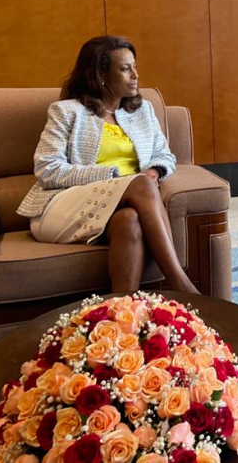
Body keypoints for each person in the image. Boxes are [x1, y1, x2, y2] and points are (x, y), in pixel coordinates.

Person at [17, 35, 199, 294]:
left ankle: (124, 314)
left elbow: (165, 154)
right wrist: (113, 177)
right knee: (141, 185)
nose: (135, 75)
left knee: (130, 220)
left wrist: (154, 170)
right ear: (101, 75)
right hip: (64, 206)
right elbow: (47, 168)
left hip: (122, 204)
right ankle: (182, 287)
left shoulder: (142, 111)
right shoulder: (66, 112)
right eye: (125, 69)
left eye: (135, 66)